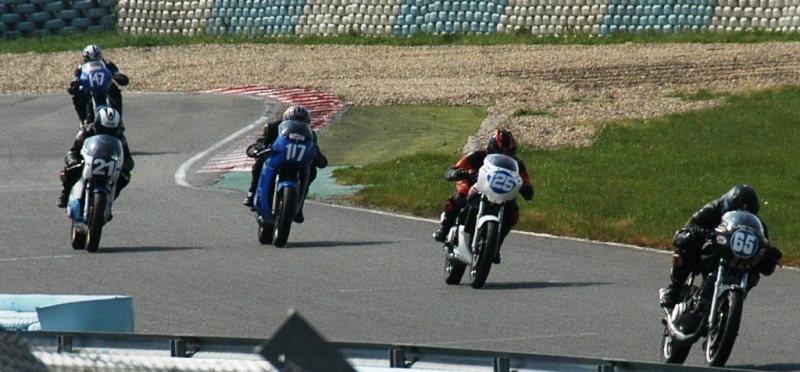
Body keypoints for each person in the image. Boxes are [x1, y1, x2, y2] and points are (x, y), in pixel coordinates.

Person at [659, 184, 783, 308]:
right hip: (712, 249)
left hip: (737, 259)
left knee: (755, 272)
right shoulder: (713, 208)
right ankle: (674, 290)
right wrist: (698, 233)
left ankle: (730, 303)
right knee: (686, 247)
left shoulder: (758, 226)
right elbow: (682, 234)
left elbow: (766, 266)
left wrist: (770, 256)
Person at [432, 129, 535, 264]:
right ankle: (444, 229)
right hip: (475, 187)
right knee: (460, 197)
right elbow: (453, 169)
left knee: (513, 212)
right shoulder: (477, 156)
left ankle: (496, 246)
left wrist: (524, 188)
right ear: (491, 148)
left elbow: (527, 186)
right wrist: (457, 173)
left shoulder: (517, 165)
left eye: (509, 153)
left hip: (500, 194)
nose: (505, 156)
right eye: (501, 152)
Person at [242, 105, 328, 224]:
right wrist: (261, 145)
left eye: (301, 123)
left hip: (297, 162)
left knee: (312, 171)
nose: (297, 126)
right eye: (294, 122)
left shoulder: (311, 135)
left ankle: (299, 205)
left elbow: (313, 148)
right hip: (277, 157)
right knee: (260, 162)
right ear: (286, 120)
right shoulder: (272, 127)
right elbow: (262, 140)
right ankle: (252, 193)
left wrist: (318, 156)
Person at [57, 106, 135, 209]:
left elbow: (128, 159)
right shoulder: (86, 132)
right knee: (70, 170)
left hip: (109, 163)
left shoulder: (120, 137)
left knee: (125, 177)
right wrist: (74, 162)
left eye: (112, 131)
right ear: (97, 125)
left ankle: (108, 201)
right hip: (88, 160)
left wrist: (125, 167)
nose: (108, 133)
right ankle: (65, 194)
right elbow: (72, 152)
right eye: (104, 130)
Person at [67, 44, 129, 128]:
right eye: (89, 60)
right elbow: (74, 80)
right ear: (84, 59)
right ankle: (83, 120)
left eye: (96, 59)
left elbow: (117, 74)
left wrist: (118, 77)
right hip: (89, 88)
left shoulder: (108, 64)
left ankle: (119, 118)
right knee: (78, 95)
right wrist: (74, 84)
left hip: (105, 87)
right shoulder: (80, 68)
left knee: (115, 90)